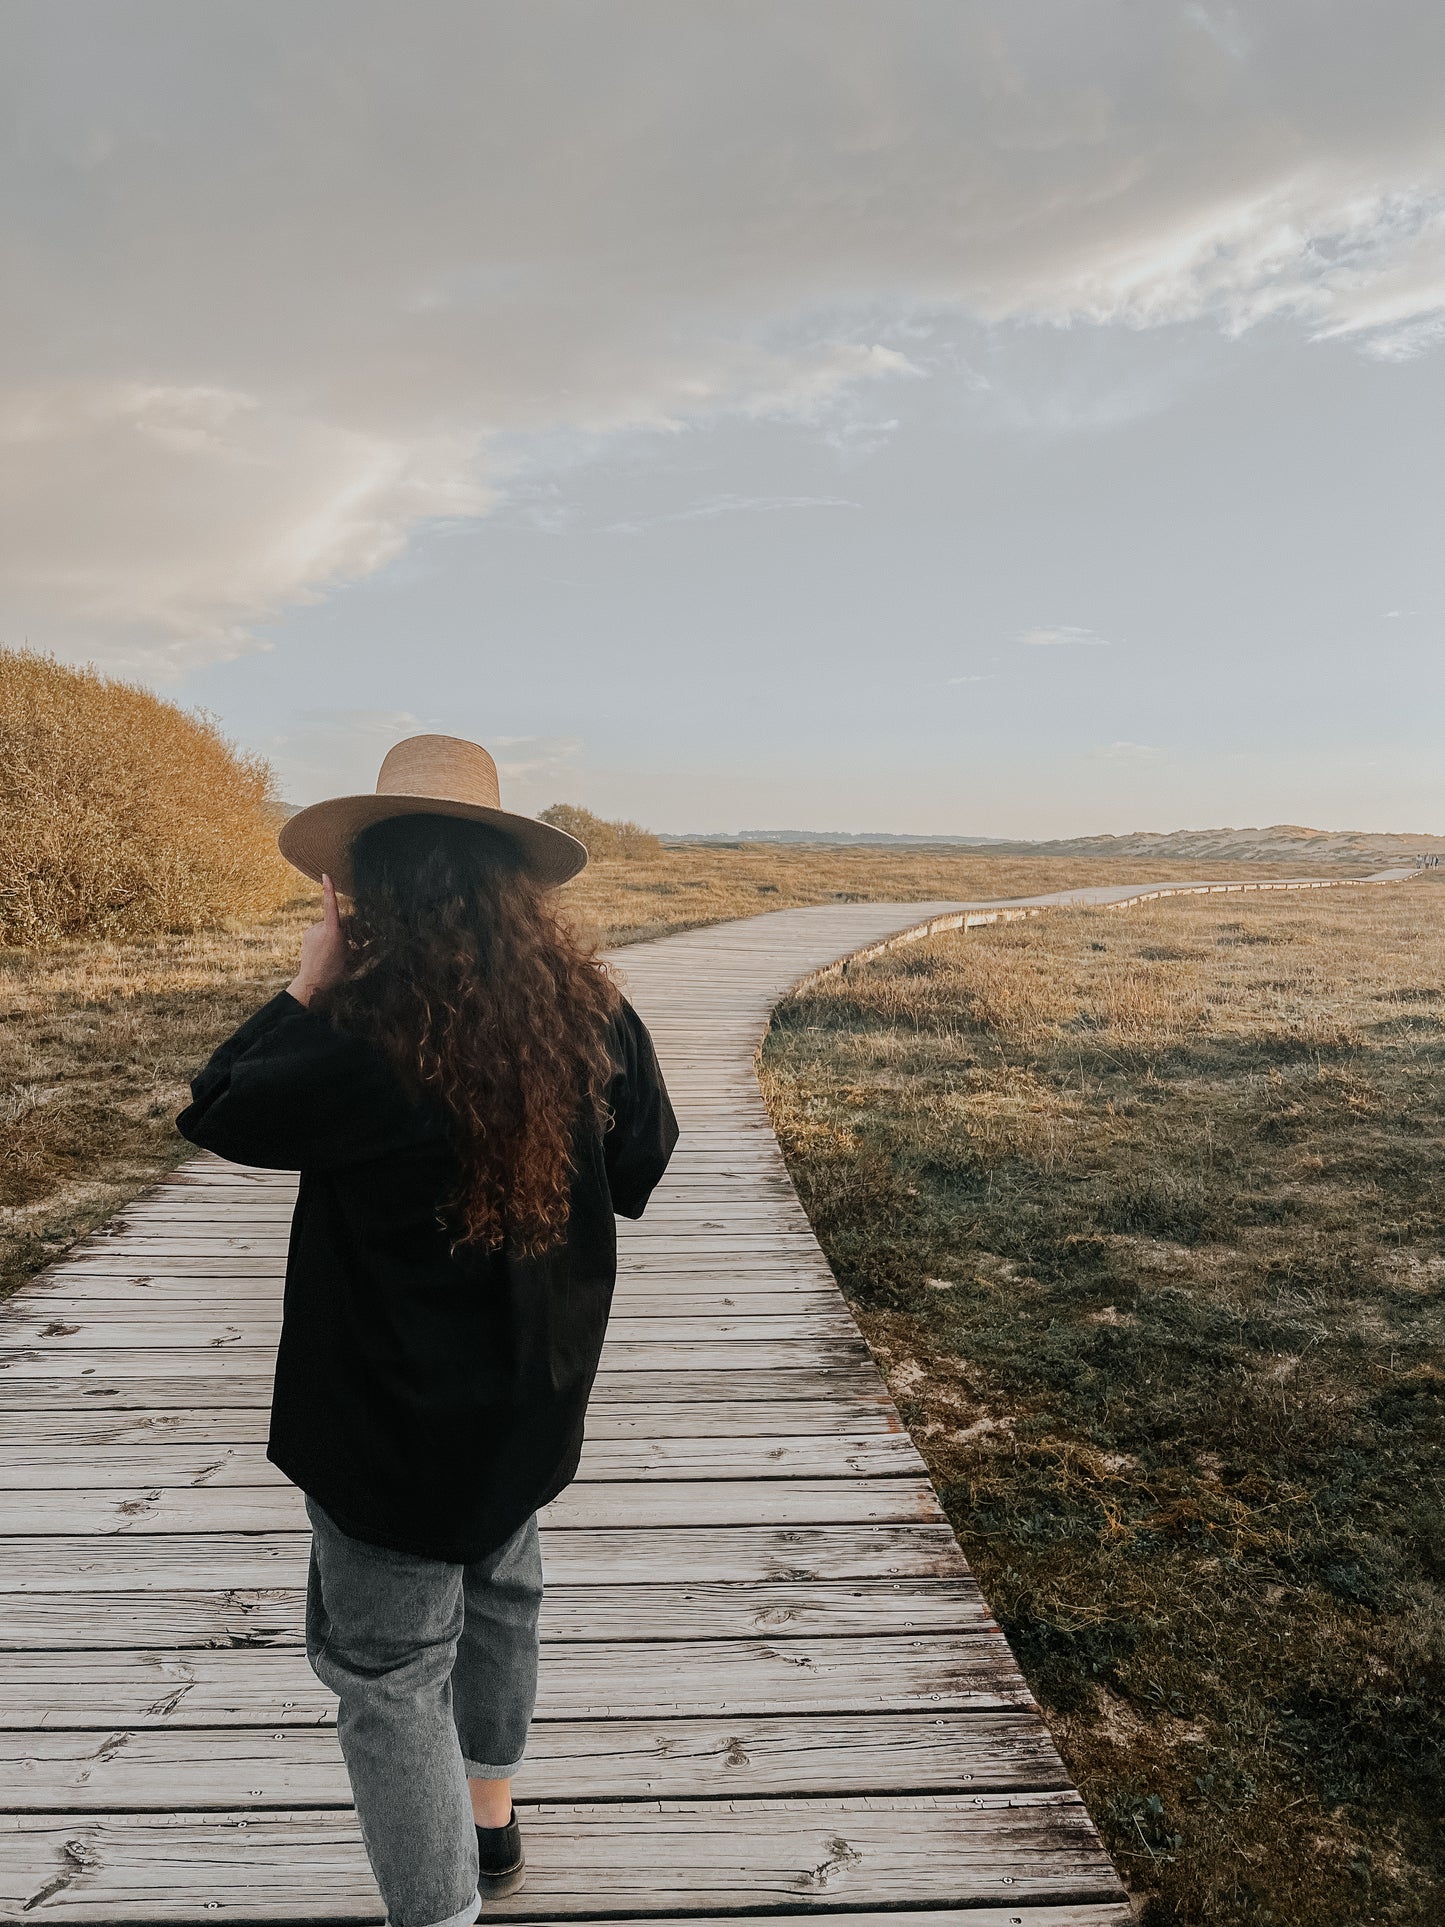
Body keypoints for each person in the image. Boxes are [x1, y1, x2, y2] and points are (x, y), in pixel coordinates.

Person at [178, 736, 678, 1927]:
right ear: (514, 882)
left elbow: (217, 1108)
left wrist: (306, 982)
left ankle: (441, 1909)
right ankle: (491, 1825)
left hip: (386, 1431)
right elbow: (644, 1159)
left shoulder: (357, 1034)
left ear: (366, 890)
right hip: (528, 1405)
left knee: (390, 1674)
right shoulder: (588, 1013)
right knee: (502, 1592)